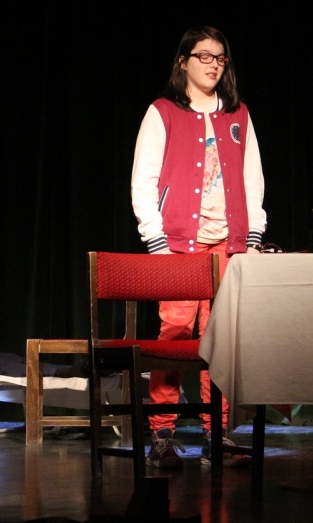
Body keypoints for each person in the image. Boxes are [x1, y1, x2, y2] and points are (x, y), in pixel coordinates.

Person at [130, 25, 267, 470]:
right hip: (178, 247)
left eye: (220, 57)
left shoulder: (237, 114)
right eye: (204, 56)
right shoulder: (163, 112)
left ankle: (217, 433)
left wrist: (251, 237)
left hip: (228, 247)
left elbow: (252, 179)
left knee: (222, 341)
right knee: (174, 336)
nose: (213, 64)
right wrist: (156, 241)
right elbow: (144, 180)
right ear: (184, 61)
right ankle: (162, 433)